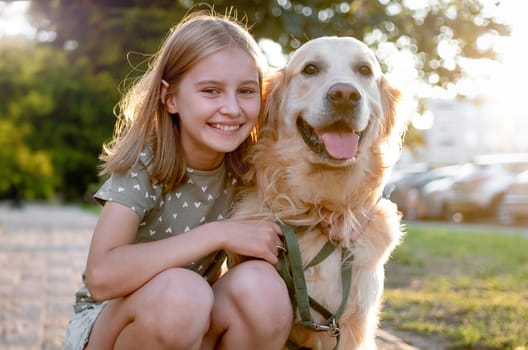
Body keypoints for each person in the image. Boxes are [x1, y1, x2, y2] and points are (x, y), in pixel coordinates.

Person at [64, 11, 293, 350]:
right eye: (211, 90)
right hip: (114, 325)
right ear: (170, 98)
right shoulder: (147, 161)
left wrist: (345, 220)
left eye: (246, 91)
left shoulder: (251, 166)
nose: (231, 108)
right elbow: (101, 277)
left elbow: (310, 200)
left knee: (263, 289)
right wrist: (217, 234)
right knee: (183, 295)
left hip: (192, 320)